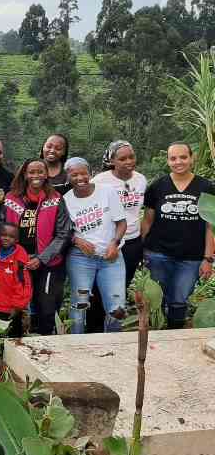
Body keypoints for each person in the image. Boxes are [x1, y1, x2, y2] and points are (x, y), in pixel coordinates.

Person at [142, 142, 214, 329]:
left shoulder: (206, 187)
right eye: (173, 158)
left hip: (191, 257)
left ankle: (175, 335)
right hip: (158, 254)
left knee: (179, 300)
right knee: (157, 300)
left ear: (192, 158)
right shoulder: (158, 186)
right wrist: (143, 250)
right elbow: (148, 221)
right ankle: (158, 336)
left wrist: (208, 258)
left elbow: (210, 227)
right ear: (168, 161)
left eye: (183, 157)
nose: (178, 162)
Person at [1, 158, 71, 335]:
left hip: (48, 263)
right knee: (14, 307)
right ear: (25, 174)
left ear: (46, 174)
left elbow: (63, 233)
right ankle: (13, 346)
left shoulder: (55, 199)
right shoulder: (11, 199)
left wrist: (41, 258)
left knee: (46, 308)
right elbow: (0, 227)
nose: (36, 175)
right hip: (17, 261)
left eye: (40, 171)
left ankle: (44, 346)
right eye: (32, 172)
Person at [86, 142, 146, 332]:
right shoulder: (100, 181)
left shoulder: (141, 180)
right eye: (122, 158)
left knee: (120, 290)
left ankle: (112, 333)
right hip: (108, 244)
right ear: (111, 161)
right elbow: (91, 211)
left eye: (131, 156)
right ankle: (93, 332)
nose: (128, 161)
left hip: (132, 243)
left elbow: (139, 212)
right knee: (98, 291)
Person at [64, 157, 127, 334]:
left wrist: (114, 244)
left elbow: (122, 222)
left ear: (90, 173)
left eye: (83, 173)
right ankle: (76, 346)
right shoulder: (65, 200)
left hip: (111, 257)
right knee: (79, 306)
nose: (80, 178)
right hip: (80, 259)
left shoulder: (107, 192)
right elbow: (63, 232)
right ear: (68, 177)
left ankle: (113, 347)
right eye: (74, 174)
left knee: (117, 308)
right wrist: (77, 240)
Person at [0, 222, 32, 338]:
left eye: (11, 237)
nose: (6, 238)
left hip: (10, 309)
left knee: (11, 341)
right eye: (3, 235)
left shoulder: (20, 258)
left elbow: (24, 284)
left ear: (16, 239)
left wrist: (17, 306)